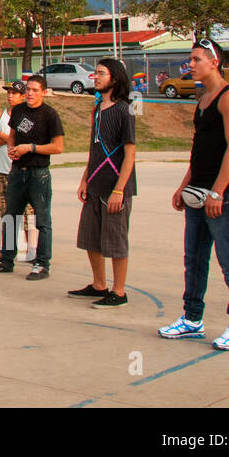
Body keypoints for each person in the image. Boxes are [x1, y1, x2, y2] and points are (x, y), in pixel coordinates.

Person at [161, 38, 229, 350]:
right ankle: (192, 318)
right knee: (194, 258)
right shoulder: (201, 100)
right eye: (190, 59)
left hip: (220, 195)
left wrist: (217, 192)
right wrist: (184, 185)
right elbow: (198, 151)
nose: (191, 64)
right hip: (197, 191)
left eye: (197, 59)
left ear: (214, 62)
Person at [70, 59, 137, 308]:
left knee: (116, 240)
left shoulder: (125, 110)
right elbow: (94, 149)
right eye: (95, 73)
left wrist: (119, 189)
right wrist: (85, 179)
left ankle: (119, 292)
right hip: (95, 183)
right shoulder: (97, 110)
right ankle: (99, 284)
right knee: (90, 236)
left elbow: (130, 153)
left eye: (100, 73)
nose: (95, 77)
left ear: (115, 78)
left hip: (115, 186)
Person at [0, 74, 64, 280]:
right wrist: (11, 148)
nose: (30, 93)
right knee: (10, 216)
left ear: (44, 92)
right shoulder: (18, 111)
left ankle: (41, 263)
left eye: (35, 90)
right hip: (18, 172)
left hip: (39, 174)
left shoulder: (50, 115)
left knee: (42, 220)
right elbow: (12, 134)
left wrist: (32, 148)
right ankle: (6, 259)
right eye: (28, 89)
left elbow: (58, 147)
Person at [0, 81, 29, 261]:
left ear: (23, 96)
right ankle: (3, 247)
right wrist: (10, 138)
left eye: (14, 93)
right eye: (8, 92)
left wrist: (3, 137)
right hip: (1, 169)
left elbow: (23, 139)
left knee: (27, 212)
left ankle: (31, 248)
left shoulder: (27, 115)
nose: (10, 96)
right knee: (0, 209)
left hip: (22, 169)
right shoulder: (0, 114)